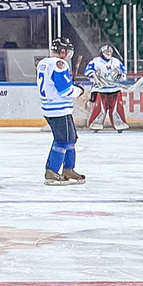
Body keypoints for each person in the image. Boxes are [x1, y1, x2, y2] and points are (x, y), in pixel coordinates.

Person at [37, 39, 84, 183]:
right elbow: (64, 90)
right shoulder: (59, 64)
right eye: (68, 51)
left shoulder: (43, 62)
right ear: (62, 51)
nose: (69, 54)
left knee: (71, 138)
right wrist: (79, 90)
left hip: (53, 108)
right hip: (58, 109)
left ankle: (68, 169)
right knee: (63, 140)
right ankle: (51, 171)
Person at [83, 44, 128, 131]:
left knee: (116, 108)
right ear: (102, 52)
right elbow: (88, 71)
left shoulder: (116, 61)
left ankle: (119, 123)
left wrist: (121, 76)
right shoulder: (95, 61)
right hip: (100, 89)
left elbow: (124, 72)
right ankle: (96, 123)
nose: (108, 53)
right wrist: (93, 76)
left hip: (115, 89)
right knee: (100, 108)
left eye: (109, 51)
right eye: (106, 51)